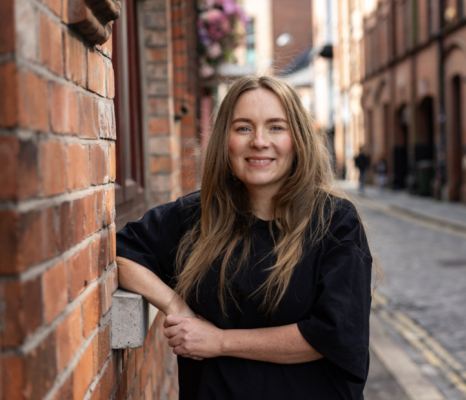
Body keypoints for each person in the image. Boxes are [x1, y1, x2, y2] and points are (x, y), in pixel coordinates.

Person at [116, 76, 373, 400]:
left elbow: (334, 335)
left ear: (298, 139)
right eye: (243, 128)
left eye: (276, 127)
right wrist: (176, 306)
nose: (259, 141)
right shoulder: (197, 216)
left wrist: (219, 341)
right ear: (225, 140)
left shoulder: (334, 222)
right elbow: (121, 251)